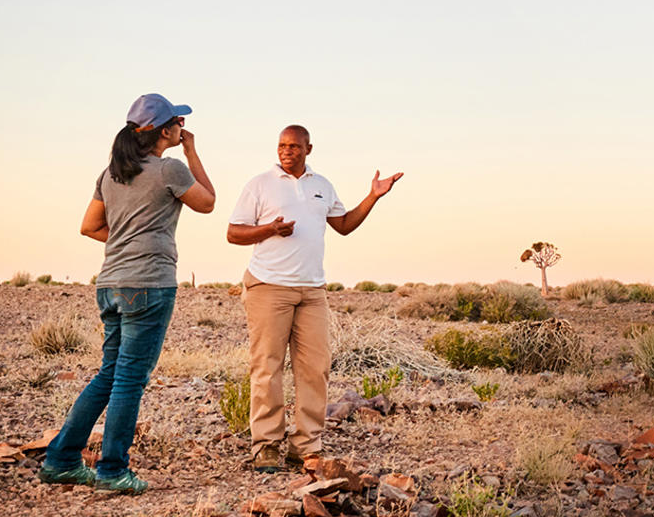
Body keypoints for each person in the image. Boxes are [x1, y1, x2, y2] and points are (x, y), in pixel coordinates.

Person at [39, 93, 215, 494]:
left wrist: (124, 243)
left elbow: (89, 226)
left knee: (110, 373)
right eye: (178, 123)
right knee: (129, 379)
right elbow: (208, 202)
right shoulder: (169, 169)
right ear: (163, 131)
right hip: (149, 283)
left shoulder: (111, 173)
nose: (182, 128)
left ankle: (62, 459)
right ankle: (113, 469)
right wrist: (193, 153)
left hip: (111, 283)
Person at [228, 124, 401, 471]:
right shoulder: (260, 184)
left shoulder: (322, 186)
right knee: (267, 367)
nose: (286, 151)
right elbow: (234, 233)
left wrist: (373, 196)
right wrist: (270, 230)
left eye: (294, 146)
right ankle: (266, 446)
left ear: (309, 148)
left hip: (312, 290)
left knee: (315, 369)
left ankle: (305, 445)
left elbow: (345, 225)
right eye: (281, 145)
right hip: (269, 285)